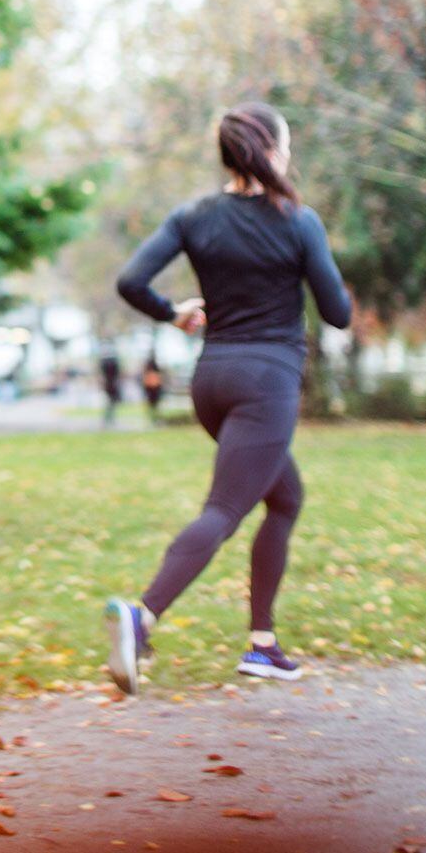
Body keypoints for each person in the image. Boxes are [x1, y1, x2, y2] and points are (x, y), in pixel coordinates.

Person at [104, 102, 352, 694]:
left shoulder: (193, 216)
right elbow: (338, 314)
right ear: (271, 150)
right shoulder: (298, 220)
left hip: (211, 383)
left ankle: (262, 644)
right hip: (266, 386)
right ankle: (141, 617)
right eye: (285, 146)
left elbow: (130, 282)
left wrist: (175, 314)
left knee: (285, 497)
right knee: (224, 510)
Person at [99, 349, 124, 427]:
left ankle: (108, 417)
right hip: (112, 385)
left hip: (110, 385)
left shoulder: (105, 364)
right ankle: (108, 417)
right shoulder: (112, 364)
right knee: (111, 402)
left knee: (110, 402)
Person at [141, 355, 166, 425]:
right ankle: (154, 419)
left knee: (152, 407)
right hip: (154, 392)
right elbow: (159, 385)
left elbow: (146, 386)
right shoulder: (155, 374)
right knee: (155, 407)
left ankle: (153, 419)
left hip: (152, 392)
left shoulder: (148, 374)